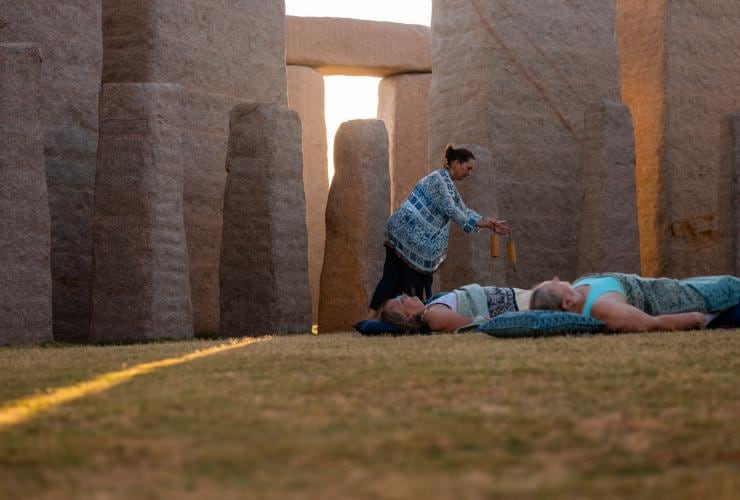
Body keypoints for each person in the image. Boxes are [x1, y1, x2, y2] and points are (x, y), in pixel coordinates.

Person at [368, 144, 511, 318]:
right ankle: (417, 319)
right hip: (409, 233)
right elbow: (451, 209)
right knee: (415, 280)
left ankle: (374, 317)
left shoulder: (446, 182)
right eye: (468, 168)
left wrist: (487, 222)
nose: (469, 173)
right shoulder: (440, 179)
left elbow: (462, 209)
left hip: (400, 231)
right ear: (457, 164)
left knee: (393, 278)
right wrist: (480, 223)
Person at [530, 273, 740, 332]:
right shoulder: (604, 308)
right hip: (700, 299)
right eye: (555, 284)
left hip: (675, 284)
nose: (558, 279)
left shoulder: (576, 291)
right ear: (567, 304)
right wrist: (699, 319)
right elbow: (653, 323)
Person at [379, 284, 532, 332]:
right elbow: (471, 323)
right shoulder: (432, 315)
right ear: (407, 316)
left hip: (507, 297)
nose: (404, 295)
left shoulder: (432, 305)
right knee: (549, 294)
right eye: (401, 300)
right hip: (508, 305)